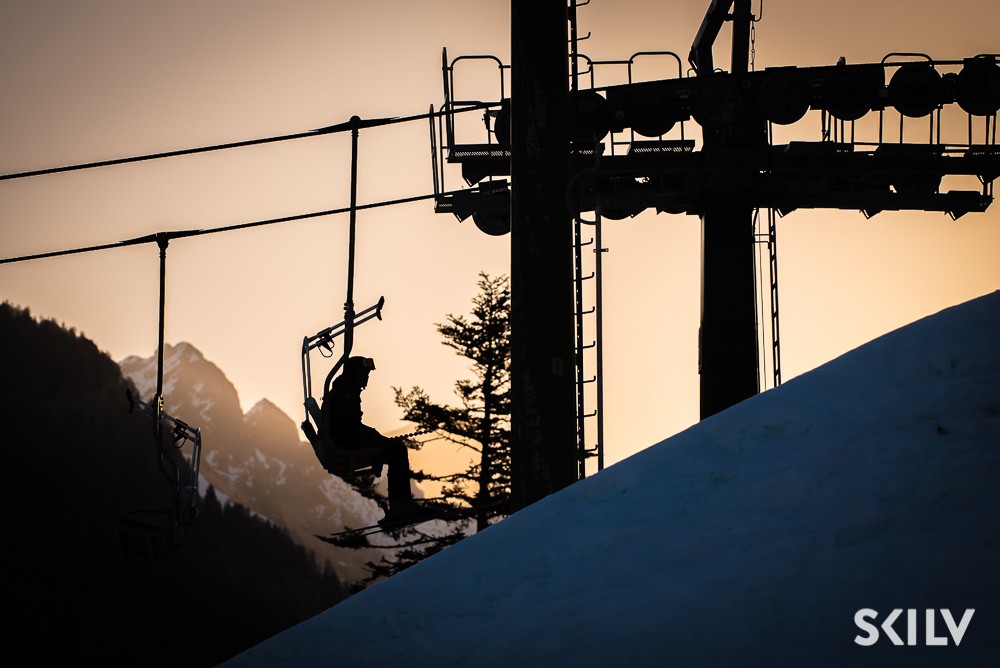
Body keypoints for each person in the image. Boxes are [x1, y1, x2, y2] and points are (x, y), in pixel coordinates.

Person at [321, 355, 435, 525]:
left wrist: (374, 437)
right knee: (397, 451)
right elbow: (350, 427)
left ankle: (400, 507)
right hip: (347, 444)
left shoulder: (344, 391)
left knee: (394, 449)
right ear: (354, 373)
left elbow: (350, 426)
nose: (366, 378)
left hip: (345, 443)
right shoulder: (346, 395)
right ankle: (401, 508)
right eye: (364, 373)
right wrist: (374, 436)